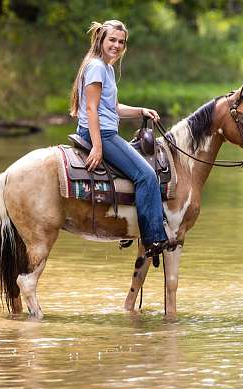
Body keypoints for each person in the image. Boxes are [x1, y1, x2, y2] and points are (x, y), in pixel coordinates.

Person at [70, 19, 169, 257]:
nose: (116, 45)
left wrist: (140, 111)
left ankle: (128, 228)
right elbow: (92, 109)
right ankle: (154, 238)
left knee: (137, 170)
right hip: (101, 133)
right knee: (145, 175)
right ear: (101, 40)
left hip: (105, 130)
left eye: (121, 42)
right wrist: (97, 147)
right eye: (112, 40)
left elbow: (111, 107)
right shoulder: (96, 66)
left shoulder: (107, 68)